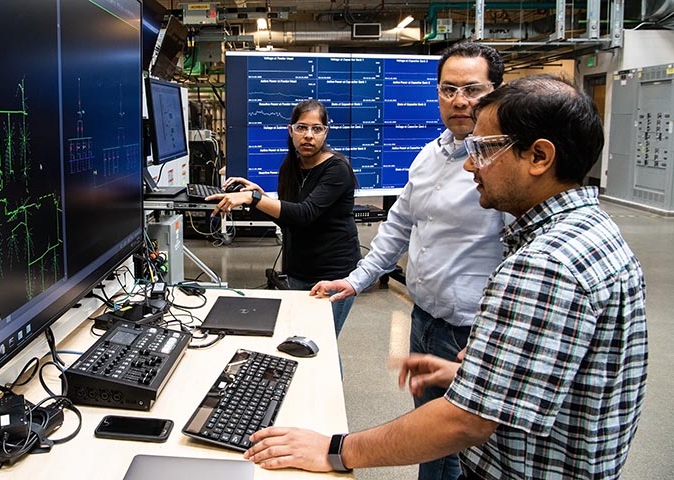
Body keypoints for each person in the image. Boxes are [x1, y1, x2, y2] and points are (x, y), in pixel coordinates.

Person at [244, 74, 649, 479]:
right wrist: (477, 373)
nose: (471, 163)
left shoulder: (544, 264)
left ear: (539, 157)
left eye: (484, 149)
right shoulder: (587, 232)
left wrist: (335, 450)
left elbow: (465, 422)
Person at [310, 40, 507, 479]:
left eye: (472, 90)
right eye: (448, 89)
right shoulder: (430, 156)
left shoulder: (505, 166)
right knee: (432, 440)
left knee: (458, 442)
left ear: (496, 90)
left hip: (471, 332)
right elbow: (398, 228)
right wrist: (356, 281)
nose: (459, 101)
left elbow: (519, 255)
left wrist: (492, 338)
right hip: (426, 321)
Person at [206, 99, 361, 335]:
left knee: (320, 346)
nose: (308, 135)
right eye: (301, 127)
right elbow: (288, 219)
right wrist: (259, 197)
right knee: (297, 341)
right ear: (291, 131)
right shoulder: (290, 166)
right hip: (298, 272)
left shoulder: (337, 168)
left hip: (333, 276)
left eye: (316, 129)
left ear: (325, 133)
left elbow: (305, 214)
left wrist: (253, 199)